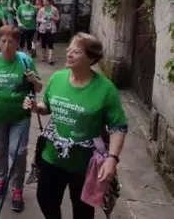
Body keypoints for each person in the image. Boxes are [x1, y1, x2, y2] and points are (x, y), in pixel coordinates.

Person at [24, 33, 127, 219]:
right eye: (69, 49)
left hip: (85, 164)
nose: (69, 53)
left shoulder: (106, 89)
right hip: (52, 156)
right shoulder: (57, 78)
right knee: (45, 199)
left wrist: (112, 159)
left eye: (76, 51)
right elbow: (47, 106)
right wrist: (35, 107)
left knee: (82, 211)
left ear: (91, 58)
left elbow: (118, 127)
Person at [0, 25, 42, 212]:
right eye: (3, 41)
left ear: (17, 43)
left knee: (18, 152)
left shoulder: (25, 61)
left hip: (20, 116)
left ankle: (17, 187)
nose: (6, 45)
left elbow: (39, 88)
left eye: (10, 41)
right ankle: (1, 177)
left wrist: (33, 81)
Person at [37, 0, 60, 65]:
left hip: (51, 29)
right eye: (43, 1)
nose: (43, 2)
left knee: (50, 43)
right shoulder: (41, 10)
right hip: (43, 28)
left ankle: (50, 58)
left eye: (45, 1)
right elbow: (37, 18)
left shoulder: (54, 9)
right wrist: (41, 20)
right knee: (43, 43)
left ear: (49, 2)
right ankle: (44, 56)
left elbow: (58, 18)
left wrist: (53, 17)